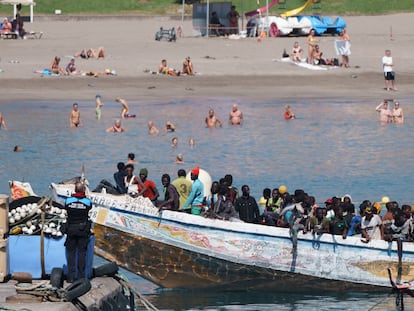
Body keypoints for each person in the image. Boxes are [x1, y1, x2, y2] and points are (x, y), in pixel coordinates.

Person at [63, 182, 92, 282]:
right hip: (83, 230)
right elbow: (89, 208)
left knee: (71, 253)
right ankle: (81, 277)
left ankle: (70, 277)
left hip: (71, 229)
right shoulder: (87, 202)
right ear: (83, 190)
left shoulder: (68, 201)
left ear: (75, 190)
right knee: (81, 253)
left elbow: (66, 208)